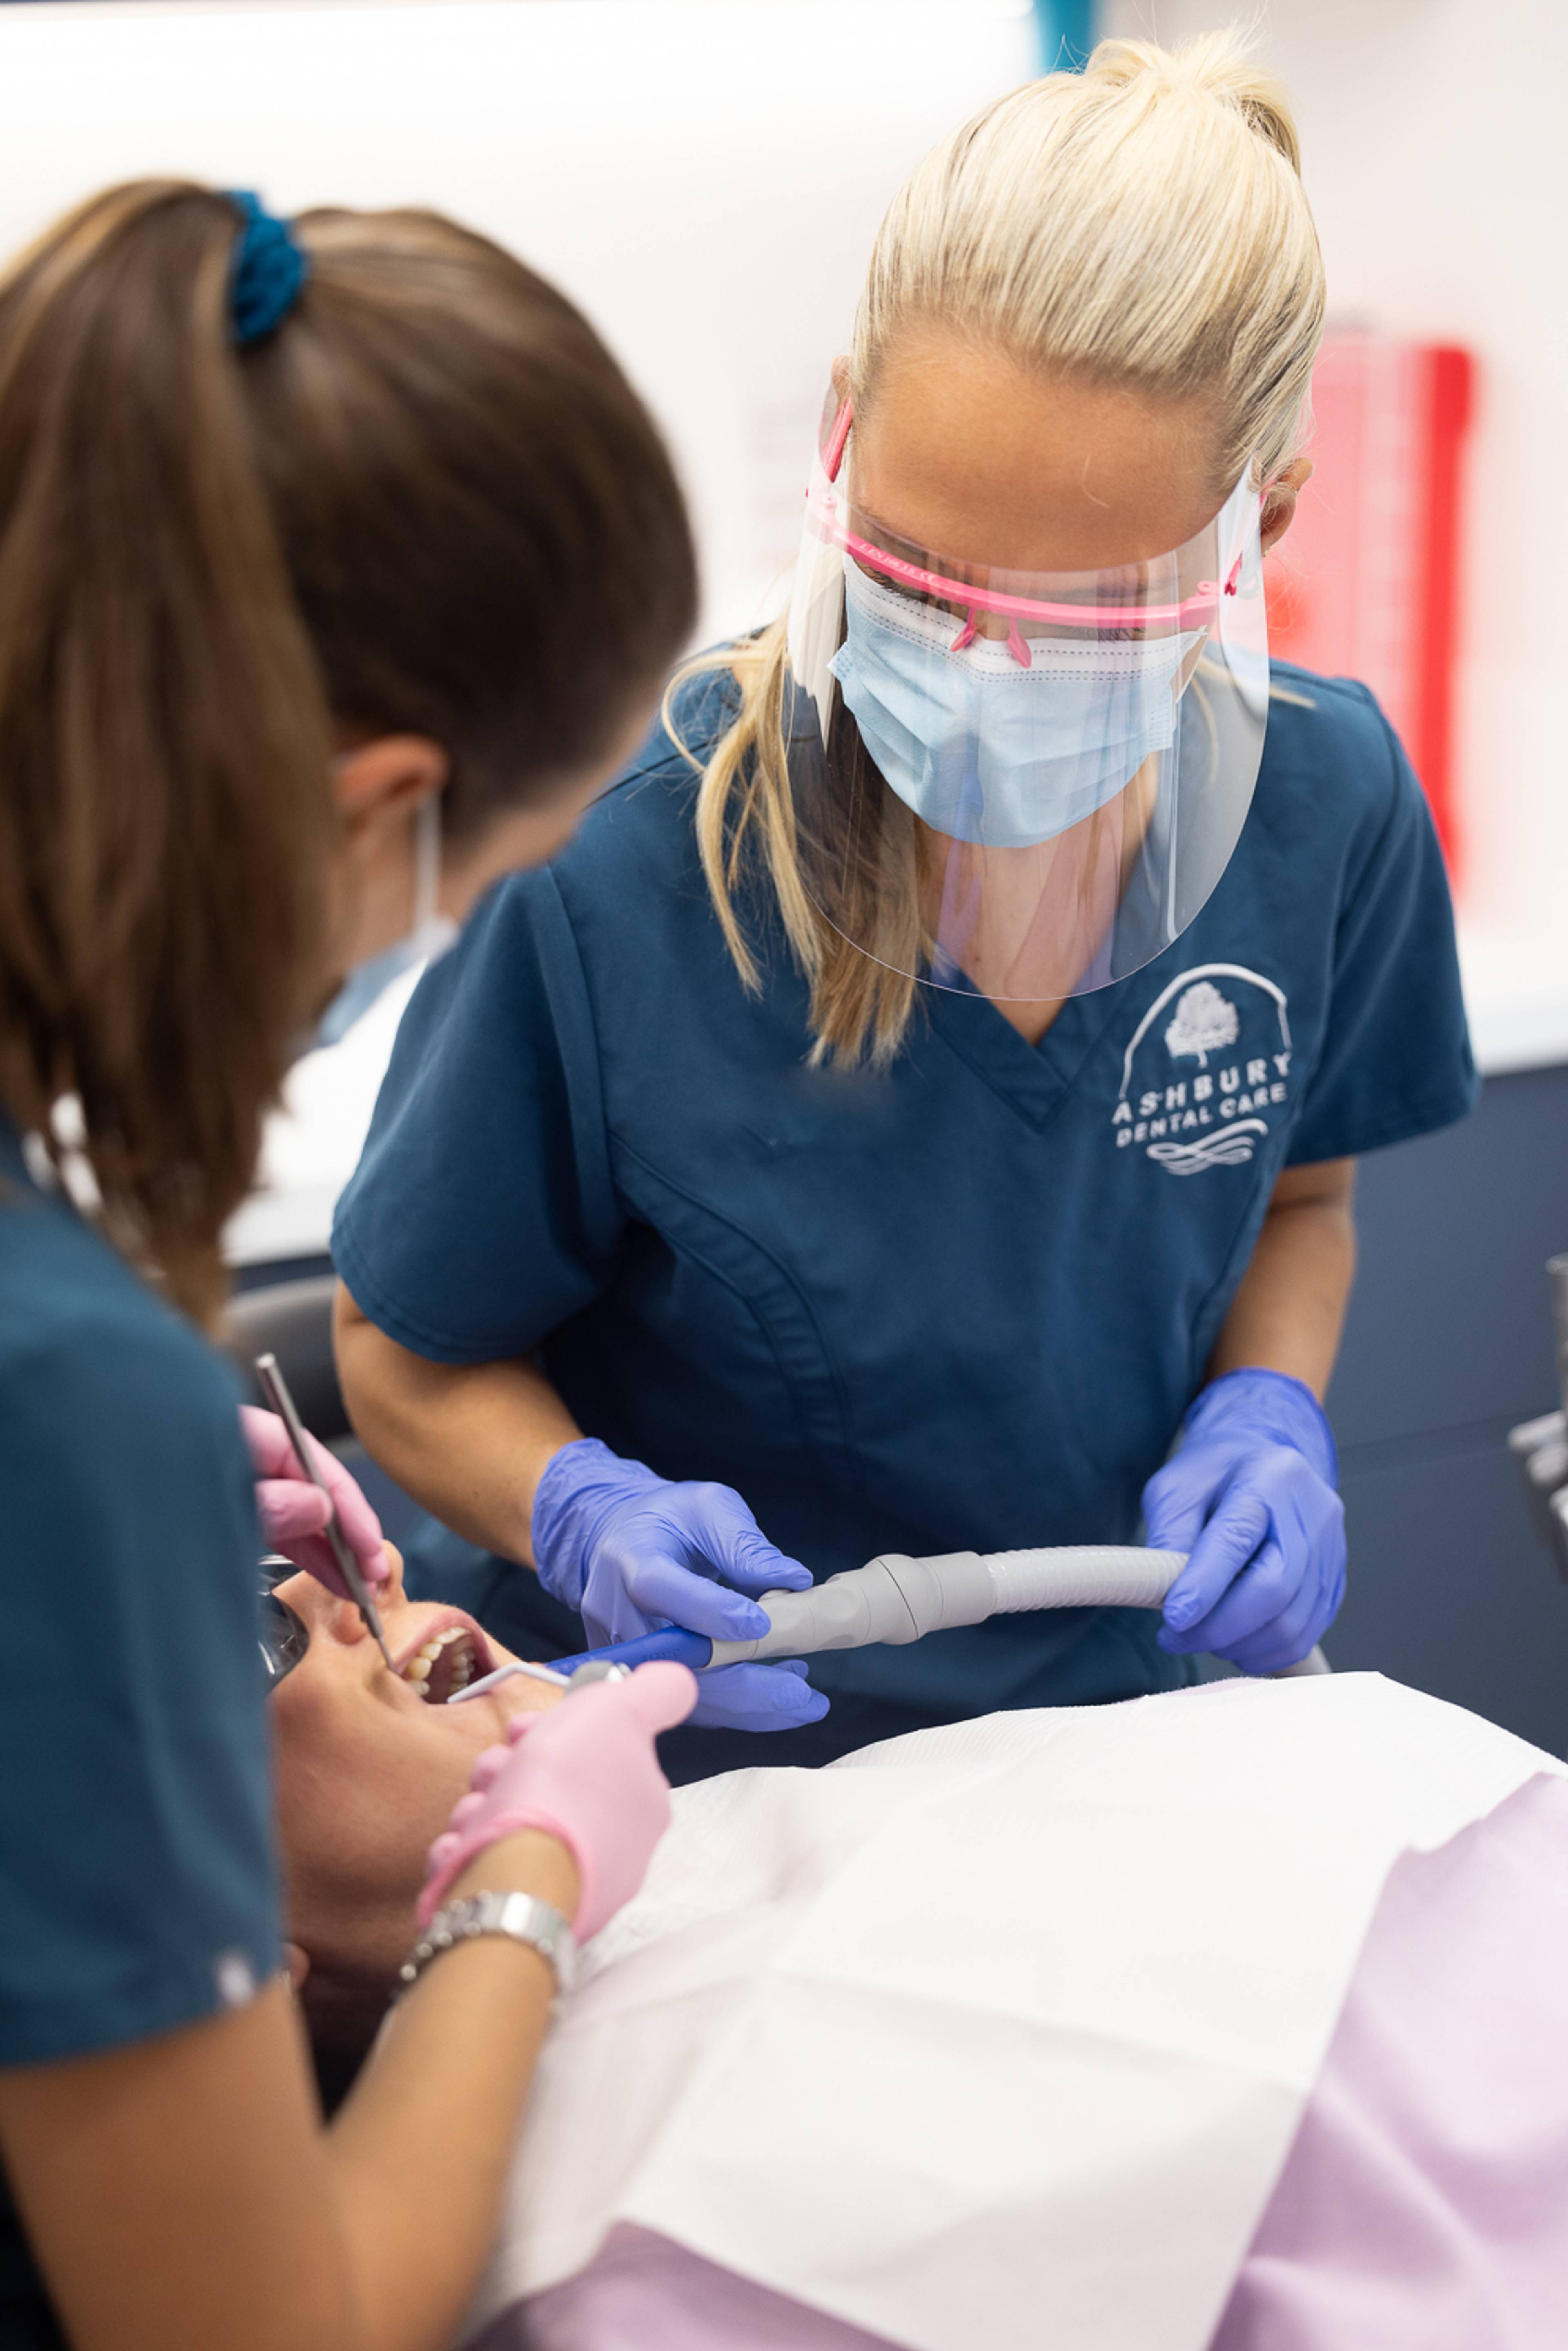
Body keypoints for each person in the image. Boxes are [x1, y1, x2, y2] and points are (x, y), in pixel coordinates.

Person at [333, 32, 1475, 1776]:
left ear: (1263, 525)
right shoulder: (619, 862)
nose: (985, 667)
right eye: (923, 574)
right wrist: (580, 1508)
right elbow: (402, 1353)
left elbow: (1301, 1194)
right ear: (845, 426)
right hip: (703, 1777)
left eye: (1085, 613)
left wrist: (1268, 1405)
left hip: (1110, 1745)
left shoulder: (1327, 803)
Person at [0, 179, 705, 2351]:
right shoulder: (57, 1400)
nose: (378, 1605)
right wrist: (525, 1877)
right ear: (372, 804)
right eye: (471, 885)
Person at [262, 1561, 1568, 2351]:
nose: (323, 1586)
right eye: (244, 1649)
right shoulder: (629, 2273)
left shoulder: (800, 1821)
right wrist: (526, 1874)